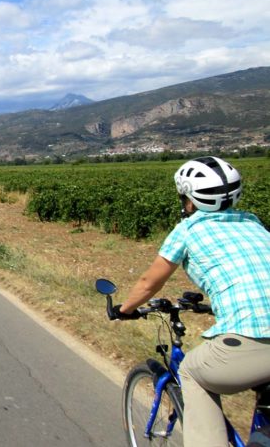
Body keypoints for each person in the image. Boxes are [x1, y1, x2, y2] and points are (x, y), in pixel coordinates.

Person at [114, 156, 270, 447]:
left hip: (254, 339)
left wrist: (125, 309)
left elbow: (150, 282)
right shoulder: (253, 222)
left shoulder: (188, 230)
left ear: (188, 199)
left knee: (192, 373)